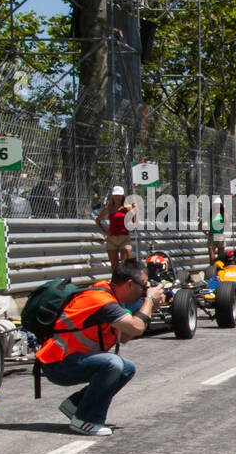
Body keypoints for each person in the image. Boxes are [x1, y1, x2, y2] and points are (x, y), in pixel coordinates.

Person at [35, 258, 164, 436]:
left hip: (70, 359)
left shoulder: (110, 295)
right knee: (113, 364)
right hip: (57, 363)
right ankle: (86, 420)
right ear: (129, 284)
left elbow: (126, 335)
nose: (145, 290)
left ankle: (76, 405)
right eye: (143, 286)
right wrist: (149, 299)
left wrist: (151, 306)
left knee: (127, 368)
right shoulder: (101, 300)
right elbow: (136, 327)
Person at [94, 186, 136, 273]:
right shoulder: (109, 208)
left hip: (124, 238)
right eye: (115, 195)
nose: (117, 197)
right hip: (111, 239)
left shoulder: (127, 208)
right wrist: (105, 232)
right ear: (112, 196)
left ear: (123, 196)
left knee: (125, 265)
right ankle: (116, 285)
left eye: (119, 195)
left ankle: (125, 283)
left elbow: (134, 221)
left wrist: (134, 210)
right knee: (114, 266)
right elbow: (98, 220)